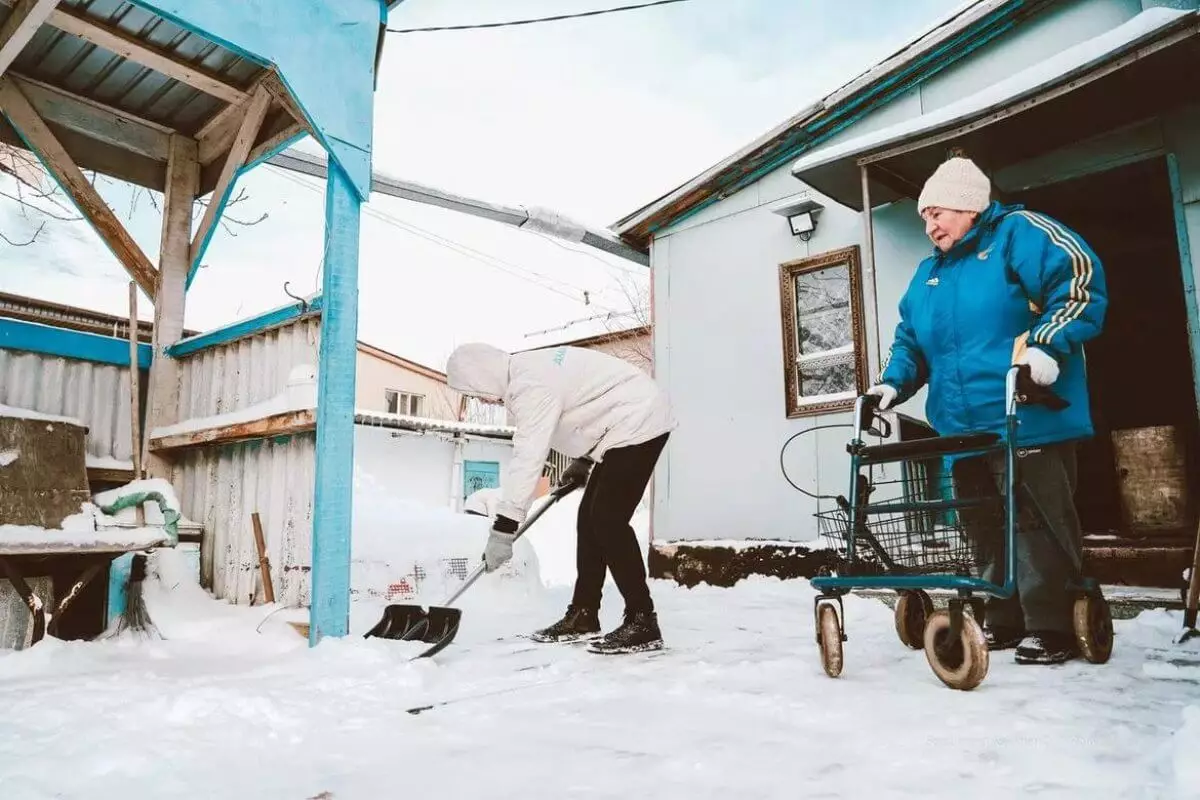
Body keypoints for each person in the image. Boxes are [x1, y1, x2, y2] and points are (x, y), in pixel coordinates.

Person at [868, 156, 1107, 666]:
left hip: (1027, 412)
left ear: (971, 206)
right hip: (962, 426)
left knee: (1037, 518)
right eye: (924, 217)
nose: (929, 226)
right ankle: (1005, 618)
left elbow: (1079, 282)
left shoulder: (1020, 234)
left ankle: (1053, 623)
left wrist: (1046, 348)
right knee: (983, 522)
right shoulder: (928, 273)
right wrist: (891, 385)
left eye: (937, 213)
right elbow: (912, 341)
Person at [445, 342, 675, 654]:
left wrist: (504, 527)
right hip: (621, 425)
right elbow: (586, 404)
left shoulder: (529, 387)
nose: (480, 398)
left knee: (607, 520)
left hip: (639, 420)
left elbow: (528, 456)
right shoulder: (524, 372)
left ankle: (642, 620)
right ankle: (584, 614)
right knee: (590, 520)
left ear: (482, 376)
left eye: (474, 390)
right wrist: (584, 459)